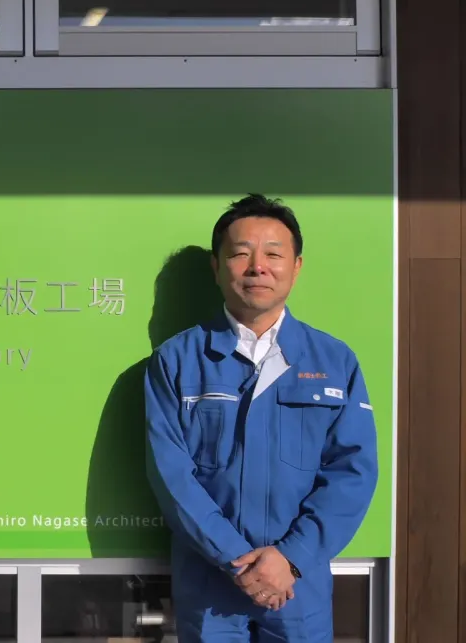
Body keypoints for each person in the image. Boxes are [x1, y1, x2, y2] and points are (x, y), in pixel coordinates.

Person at [144, 194, 379, 641]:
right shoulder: (176, 360)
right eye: (241, 254)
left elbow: (353, 471)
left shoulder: (334, 360)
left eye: (273, 254)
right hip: (210, 582)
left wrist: (291, 558)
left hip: (297, 584)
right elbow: (170, 475)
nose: (258, 267)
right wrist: (235, 558)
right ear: (217, 267)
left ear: (297, 266)